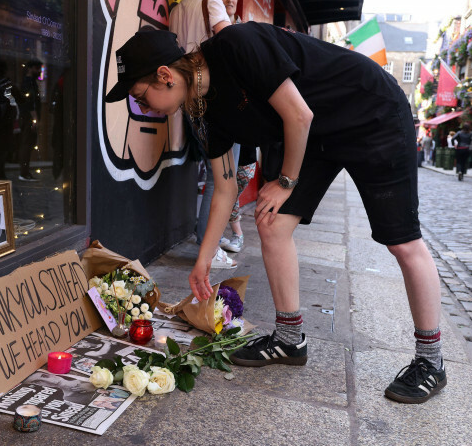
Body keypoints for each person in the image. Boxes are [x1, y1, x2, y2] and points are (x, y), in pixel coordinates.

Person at [105, 26, 446, 404]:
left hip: (370, 111)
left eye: (140, 97)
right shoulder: (199, 109)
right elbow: (225, 188)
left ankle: (431, 361)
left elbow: (298, 115)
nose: (143, 108)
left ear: (165, 76)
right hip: (317, 137)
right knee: (270, 223)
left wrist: (285, 181)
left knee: (402, 242)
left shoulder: (237, 46)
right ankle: (289, 339)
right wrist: (203, 262)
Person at [169, 0, 236, 268]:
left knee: (213, 173)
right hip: (215, 97)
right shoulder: (212, 4)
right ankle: (207, 247)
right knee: (222, 177)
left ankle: (207, 241)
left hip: (187, 98)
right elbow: (234, 48)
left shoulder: (177, 10)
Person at [215, 0, 257, 253]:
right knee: (224, 181)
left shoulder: (242, 29)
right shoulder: (215, 32)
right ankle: (231, 234)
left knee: (244, 173)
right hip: (222, 115)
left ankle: (232, 231)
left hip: (246, 114)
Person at [18, 59, 43, 182]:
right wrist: (35, 118)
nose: (39, 71)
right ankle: (24, 172)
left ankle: (25, 171)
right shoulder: (29, 82)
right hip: (28, 117)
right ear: (30, 68)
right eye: (37, 68)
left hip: (28, 117)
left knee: (28, 144)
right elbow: (30, 102)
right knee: (27, 144)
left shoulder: (30, 82)